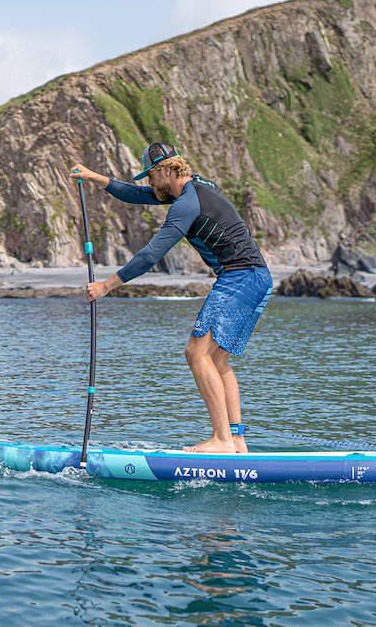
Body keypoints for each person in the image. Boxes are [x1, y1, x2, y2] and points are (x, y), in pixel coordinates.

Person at [71, 142, 273, 453]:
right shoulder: (195, 188)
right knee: (216, 358)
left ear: (166, 171)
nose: (148, 182)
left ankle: (221, 439)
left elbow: (152, 254)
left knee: (196, 353)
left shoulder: (186, 204)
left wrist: (106, 285)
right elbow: (134, 194)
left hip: (241, 275)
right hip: (256, 277)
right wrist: (92, 176)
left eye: (150, 175)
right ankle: (236, 441)